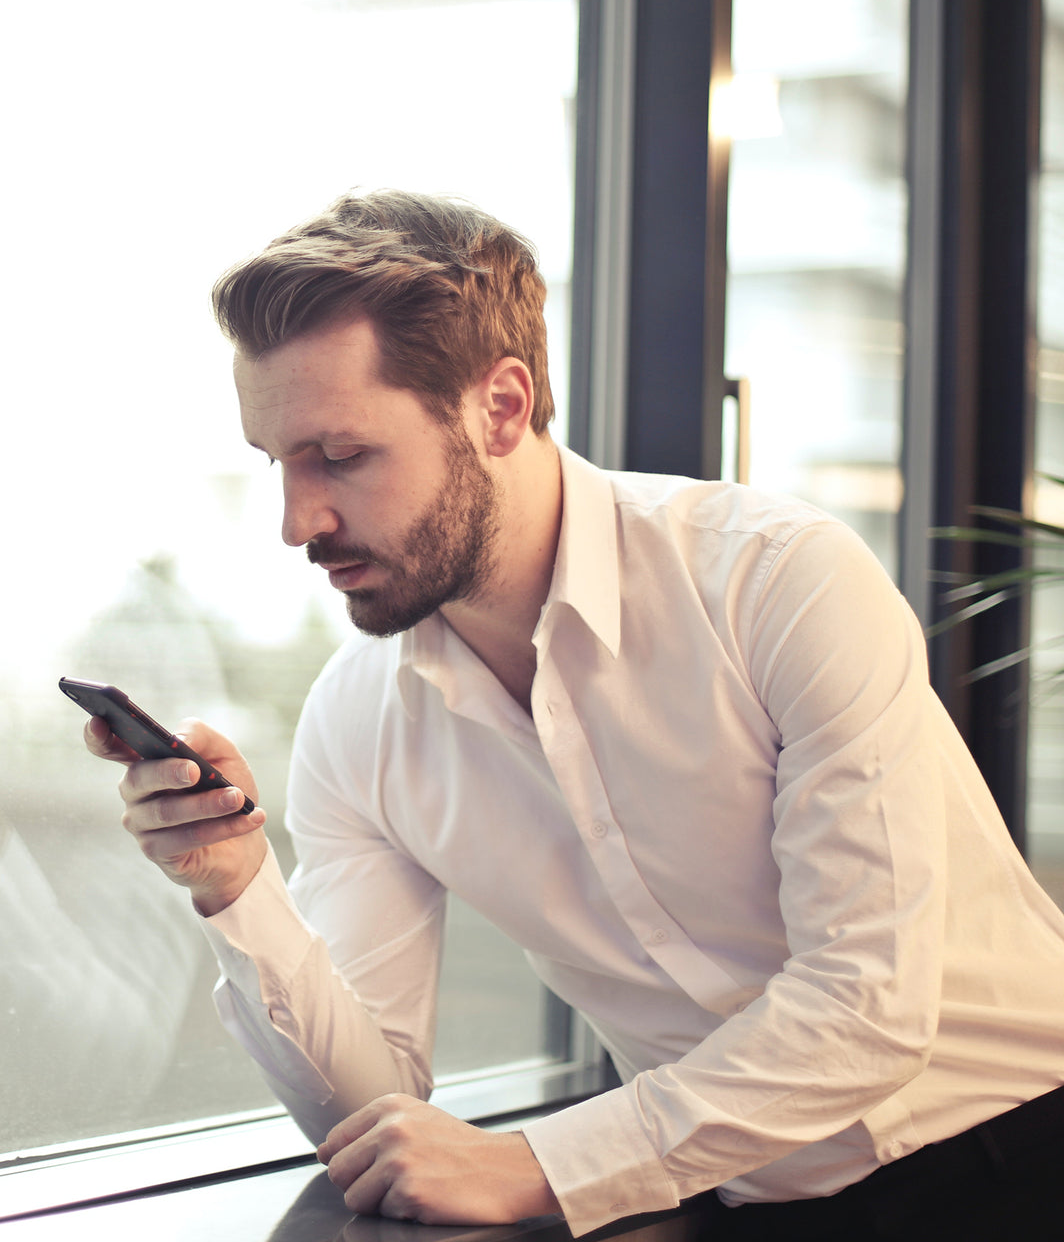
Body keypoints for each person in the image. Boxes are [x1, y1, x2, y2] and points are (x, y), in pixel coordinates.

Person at [84, 190, 1064, 1239]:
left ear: (500, 406)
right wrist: (237, 889)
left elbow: (866, 1002)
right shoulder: (357, 723)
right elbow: (375, 1114)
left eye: (341, 455)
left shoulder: (778, 582)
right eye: (275, 461)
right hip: (733, 1202)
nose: (296, 521)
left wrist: (545, 1161)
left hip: (1020, 1156)